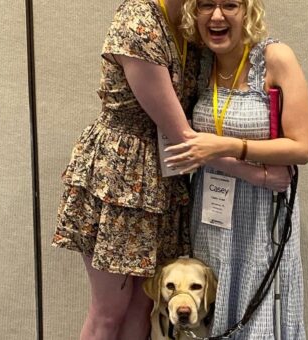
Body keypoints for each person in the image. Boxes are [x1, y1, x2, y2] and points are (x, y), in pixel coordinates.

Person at [163, 0, 308, 338]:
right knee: (210, 313)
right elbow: (181, 143)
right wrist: (252, 170)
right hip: (211, 217)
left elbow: (301, 148)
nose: (217, 16)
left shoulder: (274, 59)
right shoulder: (198, 65)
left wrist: (229, 146)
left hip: (262, 219)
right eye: (206, 5)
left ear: (247, 11)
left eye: (230, 4)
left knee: (259, 314)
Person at [50, 0, 199, 338]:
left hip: (162, 175)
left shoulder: (189, 21)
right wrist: (255, 166)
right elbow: (181, 133)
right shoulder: (137, 21)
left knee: (142, 305)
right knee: (109, 310)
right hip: (121, 174)